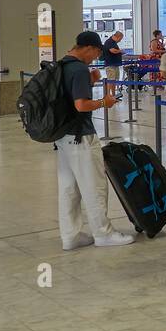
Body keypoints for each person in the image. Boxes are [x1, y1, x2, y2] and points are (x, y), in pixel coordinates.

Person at [54, 32, 135, 251]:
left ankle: (70, 236)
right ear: (89, 48)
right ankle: (103, 233)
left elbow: (68, 98)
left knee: (68, 188)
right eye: (97, 52)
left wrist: (89, 81)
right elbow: (81, 105)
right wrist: (104, 101)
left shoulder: (62, 64)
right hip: (81, 137)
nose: (95, 58)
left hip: (63, 137)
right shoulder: (79, 68)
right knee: (95, 186)